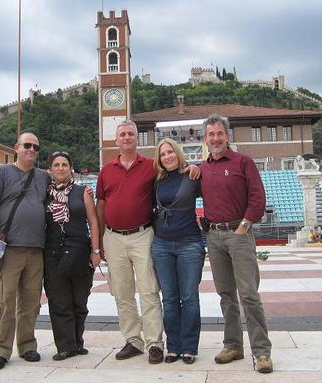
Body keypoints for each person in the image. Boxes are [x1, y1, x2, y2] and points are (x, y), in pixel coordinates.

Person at [200, 114, 273, 373]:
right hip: (214, 236)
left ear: (227, 136)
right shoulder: (202, 168)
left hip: (239, 234)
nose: (216, 138)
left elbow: (257, 198)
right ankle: (233, 345)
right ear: (205, 139)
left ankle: (262, 352)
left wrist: (244, 227)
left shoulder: (244, 162)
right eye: (211, 134)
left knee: (249, 295)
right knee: (226, 296)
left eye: (219, 133)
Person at [96, 119, 165, 364]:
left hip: (143, 235)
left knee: (148, 290)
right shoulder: (106, 170)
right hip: (113, 237)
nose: (126, 137)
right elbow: (101, 205)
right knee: (122, 292)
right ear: (116, 140)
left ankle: (155, 342)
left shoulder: (150, 166)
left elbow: (172, 174)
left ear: (137, 139)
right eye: (122, 134)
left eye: (130, 134)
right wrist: (101, 240)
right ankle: (133, 340)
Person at [0, 132, 50, 370]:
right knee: (4, 301)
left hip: (36, 249)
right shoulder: (1, 172)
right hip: (9, 248)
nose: (31, 149)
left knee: (31, 302)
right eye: (27, 145)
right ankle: (0, 350)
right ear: (17, 147)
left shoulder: (43, 177)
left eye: (36, 147)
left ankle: (27, 345)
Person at [151, 138, 205, 365]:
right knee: (170, 299)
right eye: (163, 154)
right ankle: (173, 346)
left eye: (170, 152)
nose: (167, 156)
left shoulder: (192, 176)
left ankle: (190, 346)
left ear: (178, 153)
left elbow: (213, 193)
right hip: (162, 244)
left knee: (189, 297)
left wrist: (198, 167)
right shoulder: (157, 181)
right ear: (159, 159)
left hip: (189, 243)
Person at [43, 151, 101, 361]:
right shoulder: (44, 194)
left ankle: (78, 342)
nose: (60, 168)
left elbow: (93, 221)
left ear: (71, 168)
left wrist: (96, 251)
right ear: (49, 170)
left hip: (79, 250)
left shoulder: (82, 192)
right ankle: (65, 346)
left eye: (64, 164)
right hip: (53, 253)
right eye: (56, 164)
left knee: (80, 300)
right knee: (59, 301)